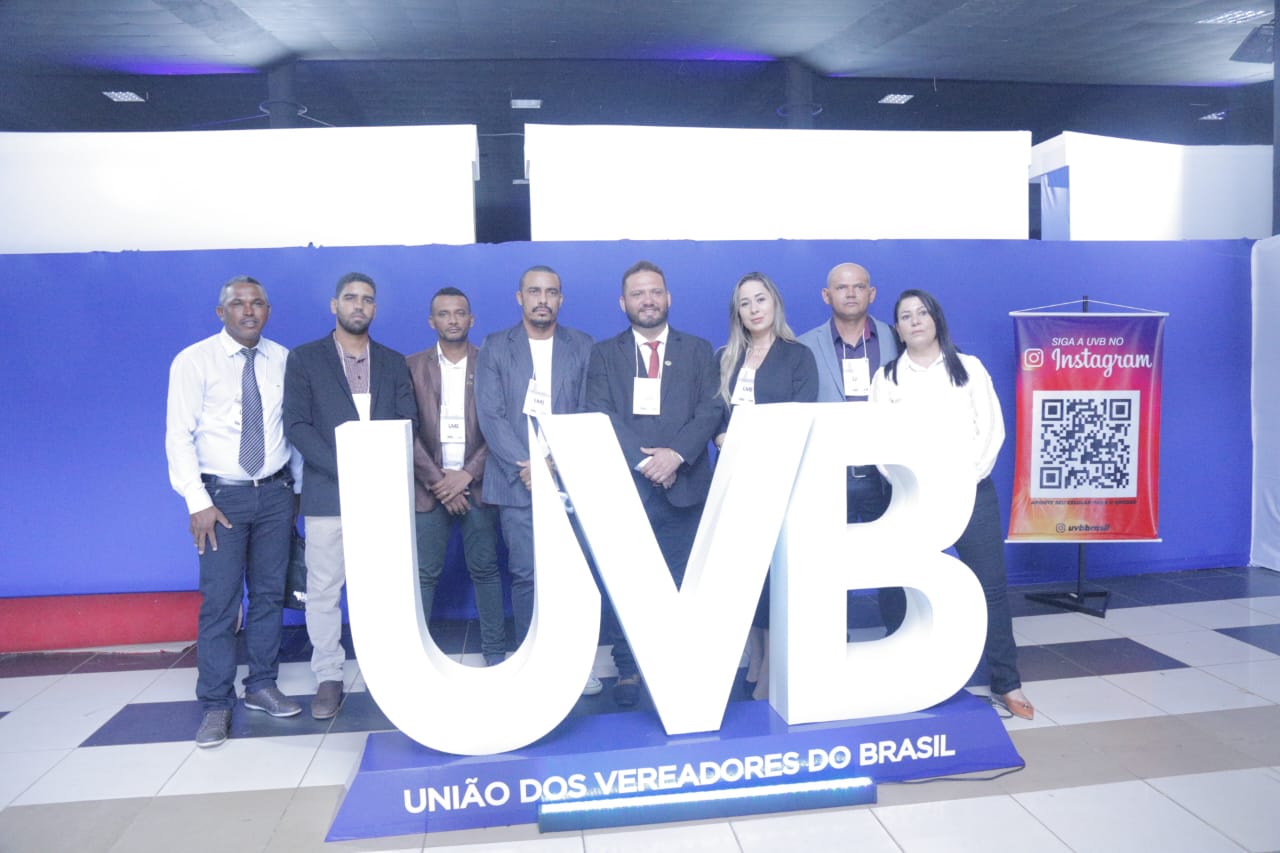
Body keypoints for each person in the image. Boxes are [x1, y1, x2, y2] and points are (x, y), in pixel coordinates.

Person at [871, 288, 1035, 720]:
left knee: (991, 588)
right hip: (911, 499)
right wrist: (911, 484)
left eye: (922, 313)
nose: (915, 321)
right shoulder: (887, 379)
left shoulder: (969, 368)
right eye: (906, 316)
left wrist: (962, 479)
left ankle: (1007, 682)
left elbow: (992, 430)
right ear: (898, 329)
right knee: (901, 586)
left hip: (970, 492)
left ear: (936, 319)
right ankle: (904, 675)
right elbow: (879, 441)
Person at [165, 275, 304, 748]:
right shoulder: (194, 361)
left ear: (268, 311)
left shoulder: (284, 359)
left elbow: (292, 430)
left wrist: (296, 492)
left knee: (268, 597)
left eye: (257, 303)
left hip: (277, 494)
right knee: (222, 603)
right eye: (238, 304)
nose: (248, 311)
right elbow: (178, 436)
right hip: (220, 499)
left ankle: (261, 685)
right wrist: (197, 501)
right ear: (220, 312)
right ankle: (215, 704)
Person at [586, 260, 726, 706]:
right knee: (626, 585)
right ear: (623, 302)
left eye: (655, 292)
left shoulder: (699, 350)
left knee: (684, 582)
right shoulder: (604, 354)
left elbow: (710, 409)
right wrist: (647, 462)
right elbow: (600, 411)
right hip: (627, 488)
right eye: (638, 293)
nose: (647, 300)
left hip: (685, 487)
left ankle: (678, 668)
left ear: (668, 298)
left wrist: (675, 456)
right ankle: (628, 668)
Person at [284, 272, 418, 721]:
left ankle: (389, 667)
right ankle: (328, 675)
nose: (359, 305)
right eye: (350, 298)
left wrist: (374, 469)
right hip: (329, 492)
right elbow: (296, 424)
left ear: (375, 308)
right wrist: (346, 467)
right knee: (324, 589)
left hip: (382, 494)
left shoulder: (393, 362)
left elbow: (408, 419)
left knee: (384, 584)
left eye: (367, 299)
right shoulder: (305, 359)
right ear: (334, 305)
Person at [474, 265, 601, 695]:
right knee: (526, 574)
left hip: (569, 478)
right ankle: (535, 664)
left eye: (551, 292)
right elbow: (490, 414)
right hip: (517, 482)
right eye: (534, 291)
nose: (542, 299)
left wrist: (554, 463)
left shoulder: (583, 345)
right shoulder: (496, 346)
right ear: (520, 298)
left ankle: (575, 664)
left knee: (572, 575)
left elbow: (588, 408)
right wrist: (527, 464)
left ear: (561, 299)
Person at [713, 272, 817, 701]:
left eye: (760, 299)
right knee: (744, 573)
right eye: (745, 303)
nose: (754, 309)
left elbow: (801, 416)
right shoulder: (725, 358)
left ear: (775, 303)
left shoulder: (798, 356)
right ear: (736, 313)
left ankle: (773, 665)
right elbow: (714, 417)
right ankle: (755, 656)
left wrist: (746, 439)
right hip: (734, 482)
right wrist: (722, 436)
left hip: (779, 480)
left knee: (774, 575)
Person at [797, 261, 904, 632]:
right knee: (828, 567)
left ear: (871, 293)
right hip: (830, 475)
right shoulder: (804, 346)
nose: (851, 293)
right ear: (826, 295)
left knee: (893, 566)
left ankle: (900, 637)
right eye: (842, 288)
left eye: (859, 286)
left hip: (886, 475)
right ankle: (829, 642)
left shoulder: (898, 338)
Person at [405, 287, 506, 665]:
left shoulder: (490, 364)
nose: (452, 320)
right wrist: (440, 482)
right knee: (424, 574)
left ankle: (495, 653)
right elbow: (406, 430)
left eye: (460, 313)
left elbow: (500, 426)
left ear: (471, 319)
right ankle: (418, 657)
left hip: (476, 486)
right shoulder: (411, 366)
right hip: (429, 488)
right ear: (432, 321)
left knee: (486, 570)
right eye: (444, 314)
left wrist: (466, 475)